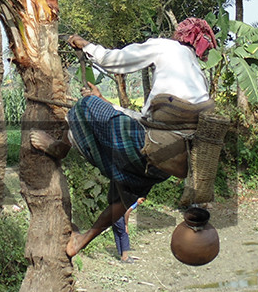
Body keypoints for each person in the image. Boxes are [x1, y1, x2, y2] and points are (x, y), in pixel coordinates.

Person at [30, 17, 217, 258]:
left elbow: (113, 61)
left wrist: (87, 46)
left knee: (87, 105)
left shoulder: (167, 47)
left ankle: (61, 146)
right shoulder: (198, 76)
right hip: (165, 165)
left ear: (179, 35)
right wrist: (107, 103)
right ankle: (80, 242)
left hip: (147, 147)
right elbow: (150, 123)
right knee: (125, 195)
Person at [112, 197, 145, 262]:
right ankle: (125, 257)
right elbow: (127, 213)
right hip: (119, 216)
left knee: (117, 233)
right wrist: (126, 225)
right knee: (124, 234)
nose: (141, 202)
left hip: (113, 214)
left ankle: (121, 254)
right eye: (142, 200)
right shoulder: (134, 202)